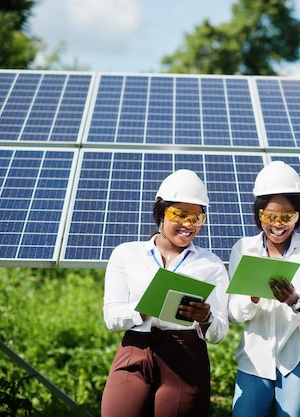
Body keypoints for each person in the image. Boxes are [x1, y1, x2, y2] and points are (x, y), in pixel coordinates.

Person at [101, 169, 229, 417]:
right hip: (134, 349)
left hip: (186, 355)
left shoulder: (211, 265)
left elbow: (219, 332)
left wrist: (207, 318)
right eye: (179, 215)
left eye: (197, 217)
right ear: (161, 213)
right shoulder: (127, 254)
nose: (188, 224)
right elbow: (111, 317)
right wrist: (142, 309)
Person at [228, 161, 300, 417]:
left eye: (288, 217)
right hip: (254, 353)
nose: (278, 224)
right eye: (270, 216)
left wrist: (296, 300)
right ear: (259, 213)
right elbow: (233, 315)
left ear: (298, 215)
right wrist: (252, 296)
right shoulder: (244, 249)